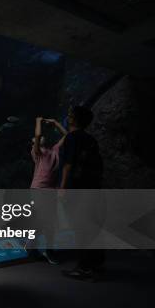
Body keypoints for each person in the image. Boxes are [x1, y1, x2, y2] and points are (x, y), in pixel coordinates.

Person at [59, 106, 104, 281]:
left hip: (76, 188)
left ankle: (84, 267)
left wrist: (63, 187)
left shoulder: (72, 138)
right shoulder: (90, 139)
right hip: (91, 187)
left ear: (74, 119)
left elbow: (68, 164)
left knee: (80, 226)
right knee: (92, 225)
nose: (68, 116)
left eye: (70, 115)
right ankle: (96, 262)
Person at [28, 117, 67, 265]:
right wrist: (38, 121)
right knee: (41, 221)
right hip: (38, 189)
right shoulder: (36, 152)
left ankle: (40, 249)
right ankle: (37, 249)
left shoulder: (54, 151)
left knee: (50, 221)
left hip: (51, 190)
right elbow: (37, 135)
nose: (39, 137)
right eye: (36, 139)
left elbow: (68, 136)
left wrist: (56, 123)